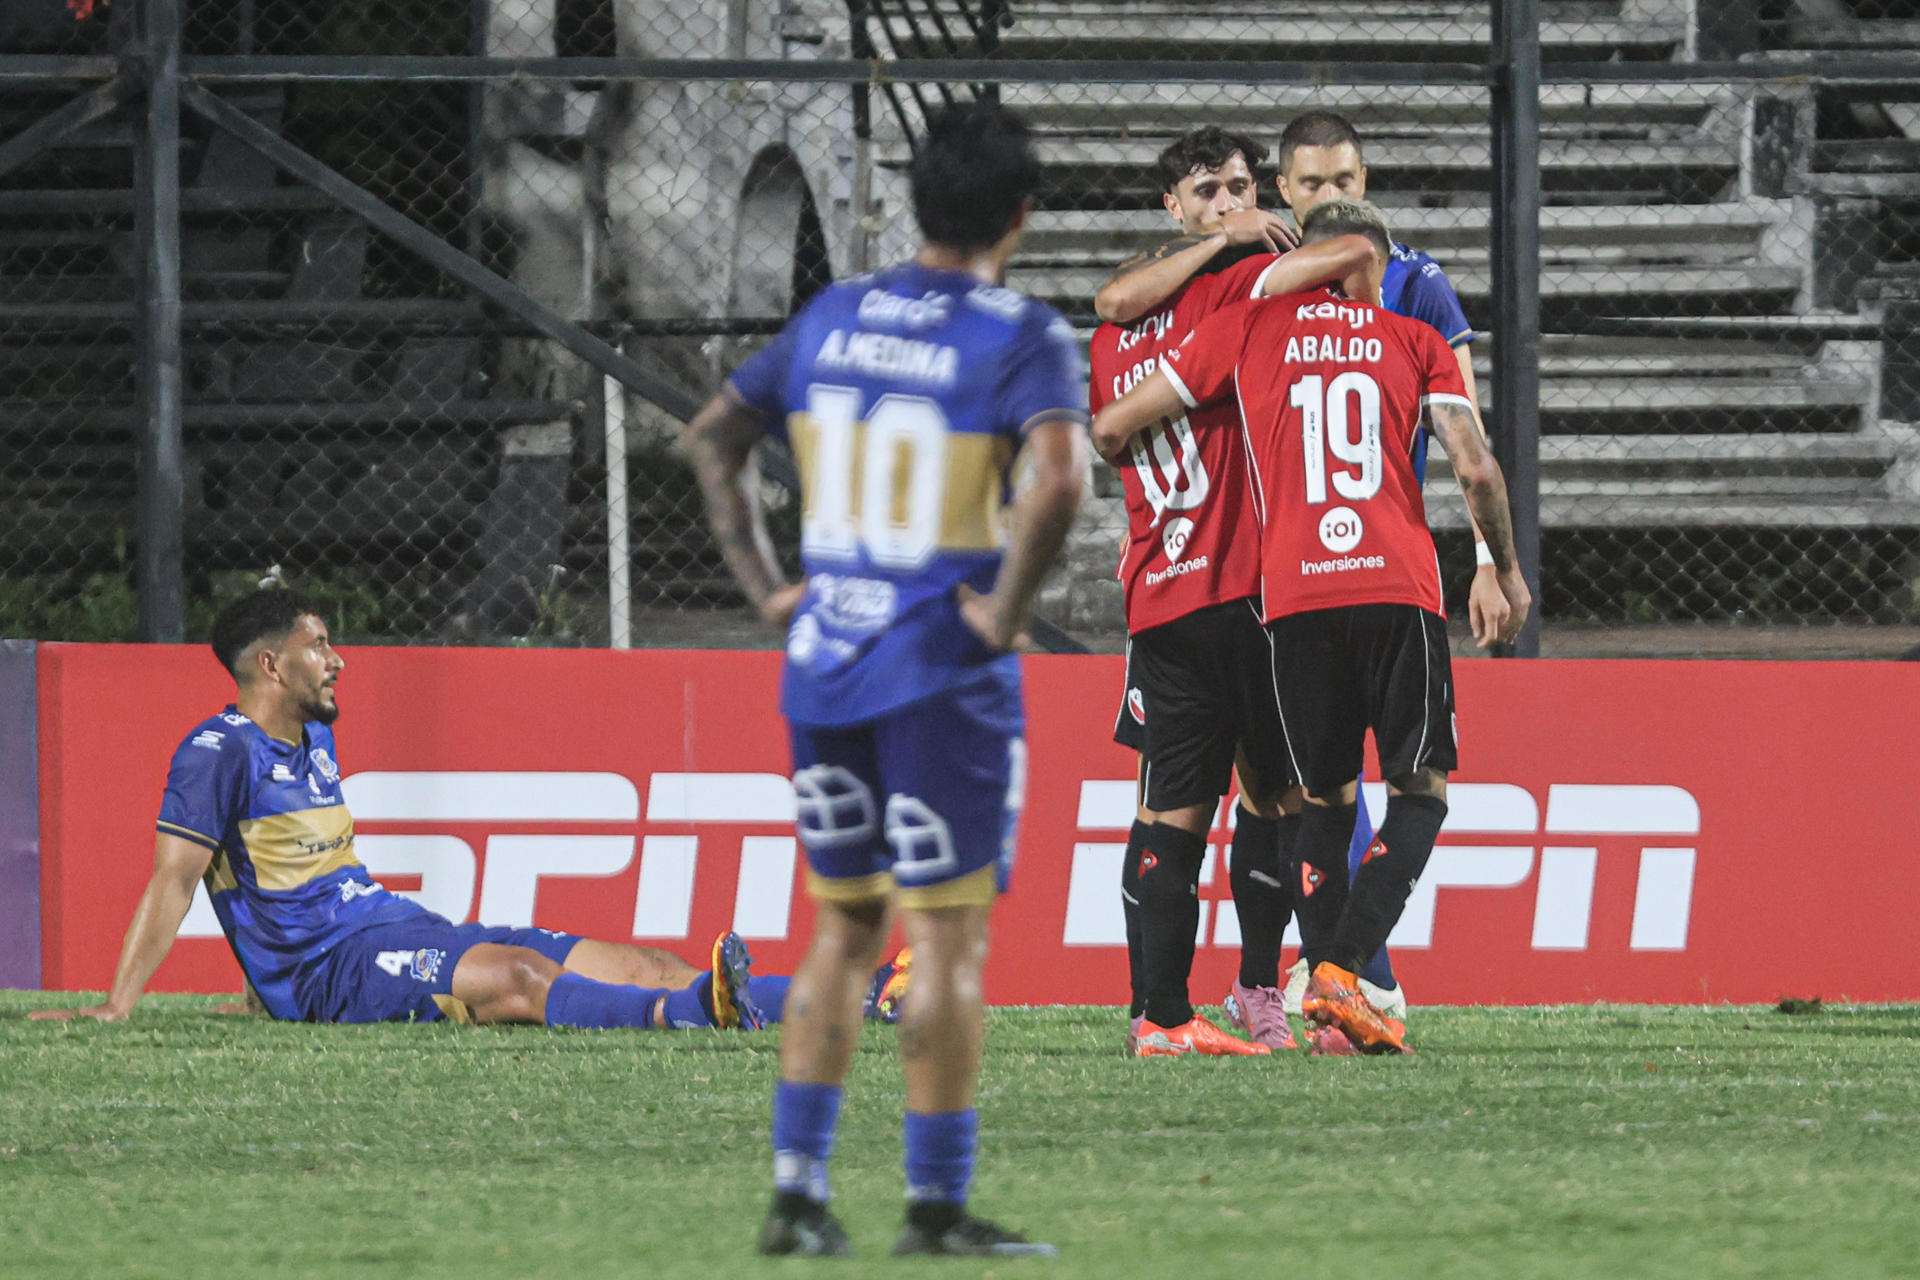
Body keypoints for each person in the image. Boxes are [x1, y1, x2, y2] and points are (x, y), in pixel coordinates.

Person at [683, 103, 1086, 1257]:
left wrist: (768, 583)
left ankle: (797, 1195)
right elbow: (1057, 481)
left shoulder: (834, 312)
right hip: (938, 674)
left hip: (823, 668)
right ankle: (936, 1207)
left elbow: (712, 436)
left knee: (839, 931)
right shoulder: (1019, 333)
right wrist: (1004, 612)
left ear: (917, 202)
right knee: (948, 943)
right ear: (1020, 213)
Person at [1097, 111, 1519, 1019]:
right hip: (1359, 576)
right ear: (1291, 195)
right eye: (1317, 183)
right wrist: (1498, 563)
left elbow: (1113, 412)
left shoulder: (1262, 312)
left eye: (1347, 181)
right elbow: (1474, 457)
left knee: (1304, 796)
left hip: (1280, 586)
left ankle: (1253, 994)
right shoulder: (1366, 315)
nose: (1333, 196)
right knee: (1370, 789)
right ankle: (1334, 974)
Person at [30, 588, 788, 1032]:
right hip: (334, 970)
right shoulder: (218, 750)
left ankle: (862, 997)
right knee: (519, 977)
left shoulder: (312, 739)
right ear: (271, 664)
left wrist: (251, 986)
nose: (338, 659)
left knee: (645, 960)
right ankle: (685, 1017)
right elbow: (177, 880)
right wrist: (116, 1006)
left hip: (393, 926)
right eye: (319, 645)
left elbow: (276, 881)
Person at [1087, 126, 1380, 1057]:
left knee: (1170, 813)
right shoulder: (1232, 285)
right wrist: (1264, 234)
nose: (1230, 203)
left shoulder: (1108, 340)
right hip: (1247, 591)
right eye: (1208, 192)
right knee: (1292, 804)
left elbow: (1114, 312)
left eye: (1240, 188)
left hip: (1159, 598)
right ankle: (1301, 995)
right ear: (1172, 211)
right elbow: (1355, 252)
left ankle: (1161, 1018)